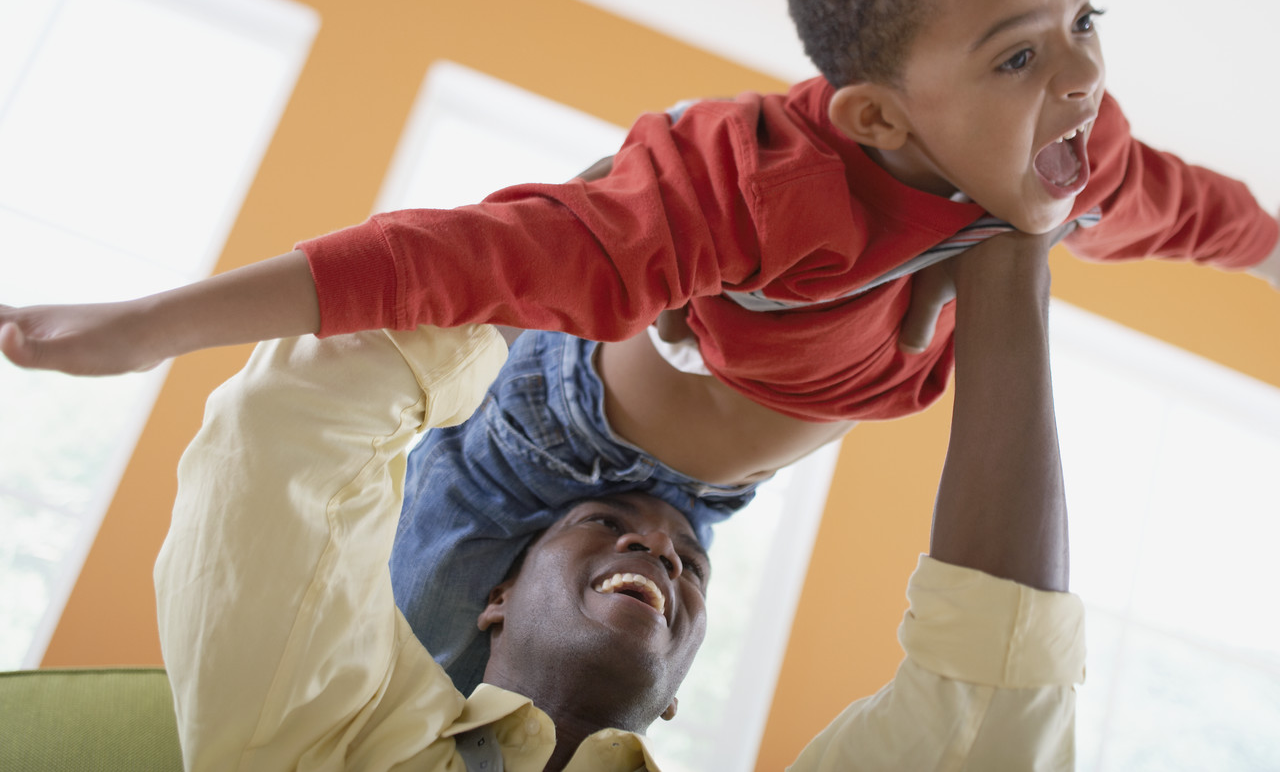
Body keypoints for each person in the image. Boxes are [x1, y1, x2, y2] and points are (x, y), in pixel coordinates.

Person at [1, 0, 1277, 690]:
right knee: (392, 690)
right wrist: (148, 323)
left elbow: (1202, 213)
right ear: (877, 116)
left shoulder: (1083, 163)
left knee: (554, 731)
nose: (1082, 74)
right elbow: (468, 254)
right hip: (538, 449)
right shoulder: (756, 187)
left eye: (1083, 16)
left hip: (691, 510)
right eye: (1019, 52)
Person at [154, 226, 1083, 771]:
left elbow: (286, 434)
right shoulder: (687, 513)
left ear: (499, 597)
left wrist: (547, 247)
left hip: (528, 439)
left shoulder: (326, 741)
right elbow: (989, 704)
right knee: (820, 360)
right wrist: (1009, 274)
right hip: (694, 460)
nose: (660, 553)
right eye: (692, 570)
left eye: (645, 546)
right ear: (678, 693)